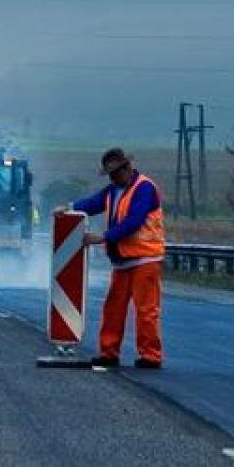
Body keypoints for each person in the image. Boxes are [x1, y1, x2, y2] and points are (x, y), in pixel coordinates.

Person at [69, 147, 165, 369]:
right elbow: (93, 204)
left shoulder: (144, 189)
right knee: (113, 308)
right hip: (123, 260)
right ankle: (109, 352)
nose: (112, 177)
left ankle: (150, 356)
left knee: (146, 311)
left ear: (127, 169)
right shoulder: (113, 190)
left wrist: (102, 237)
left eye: (115, 172)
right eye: (110, 174)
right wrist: (70, 208)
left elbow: (134, 221)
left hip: (145, 258)